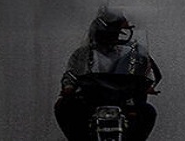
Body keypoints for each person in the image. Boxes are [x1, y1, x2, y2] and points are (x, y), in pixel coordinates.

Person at [54, 9, 162, 141]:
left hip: (122, 97)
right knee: (64, 106)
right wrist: (69, 87)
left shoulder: (130, 52)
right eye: (109, 33)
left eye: (115, 33)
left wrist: (146, 83)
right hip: (92, 97)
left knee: (147, 112)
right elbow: (71, 73)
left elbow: (145, 69)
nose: (113, 37)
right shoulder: (84, 53)